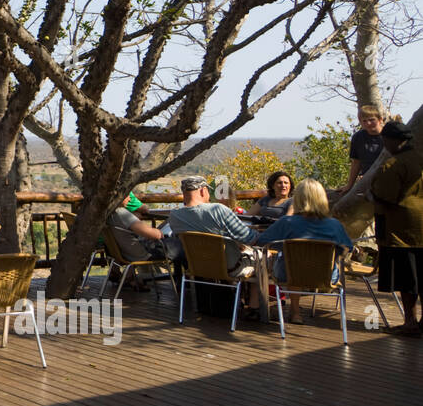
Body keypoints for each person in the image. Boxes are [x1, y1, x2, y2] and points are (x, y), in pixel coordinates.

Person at [161, 175, 263, 318]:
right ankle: (255, 308)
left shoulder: (175, 216)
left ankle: (239, 301)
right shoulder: (218, 210)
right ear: (203, 191)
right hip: (229, 268)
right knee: (263, 257)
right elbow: (250, 238)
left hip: (197, 267)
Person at [254, 179, 352, 323]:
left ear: (298, 200)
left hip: (288, 274)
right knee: (296, 263)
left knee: (291, 262)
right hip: (326, 276)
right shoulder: (334, 225)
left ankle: (295, 312)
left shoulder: (286, 222)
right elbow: (347, 248)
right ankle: (295, 311)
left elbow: (262, 241)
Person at [370, 120, 423, 337]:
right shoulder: (419, 159)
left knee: (407, 278)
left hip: (402, 230)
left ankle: (410, 322)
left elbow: (384, 196)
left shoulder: (393, 165)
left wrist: (370, 195)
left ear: (391, 140)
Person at [106, 193, 167, 290]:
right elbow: (154, 235)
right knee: (178, 248)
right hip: (140, 254)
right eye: (127, 195)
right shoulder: (122, 213)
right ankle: (183, 280)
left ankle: (130, 277)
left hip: (122, 253)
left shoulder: (108, 213)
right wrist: (159, 232)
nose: (130, 198)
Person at [345, 104, 387, 192]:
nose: (368, 123)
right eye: (364, 121)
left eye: (372, 120)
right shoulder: (358, 137)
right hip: (365, 182)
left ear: (380, 120)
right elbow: (356, 162)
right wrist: (349, 186)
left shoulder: (389, 136)